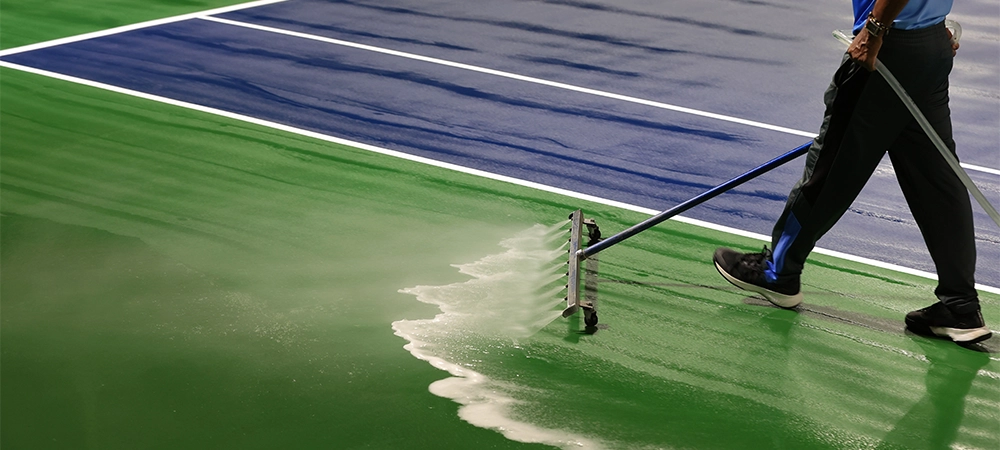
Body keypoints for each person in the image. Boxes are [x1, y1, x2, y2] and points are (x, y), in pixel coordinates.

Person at [712, 0, 992, 345]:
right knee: (936, 180)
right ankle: (960, 305)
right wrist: (931, 26)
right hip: (928, 43)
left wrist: (875, 29)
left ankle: (778, 272)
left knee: (828, 171)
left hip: (889, 46)